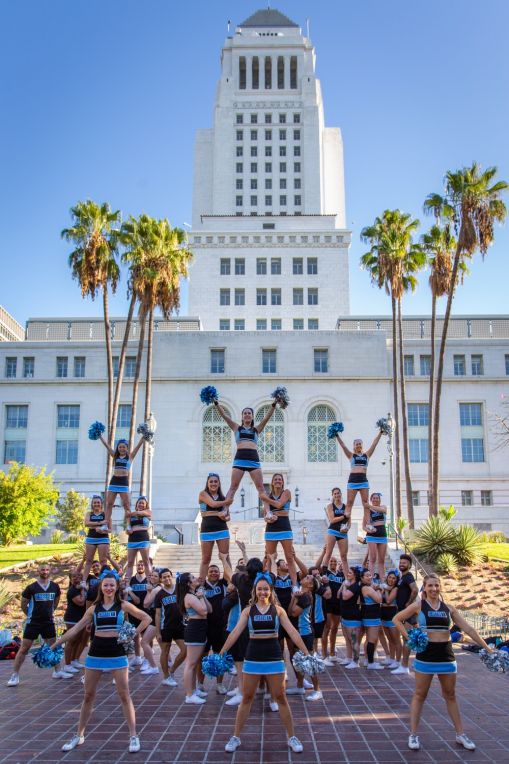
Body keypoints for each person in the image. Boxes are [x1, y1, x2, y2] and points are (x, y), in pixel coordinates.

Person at [393, 573, 493, 753]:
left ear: (440, 587)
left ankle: (460, 734)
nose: (434, 589)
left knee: (450, 695)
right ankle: (414, 734)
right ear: (425, 587)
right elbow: (397, 619)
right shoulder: (419, 605)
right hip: (426, 656)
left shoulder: (449, 608)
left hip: (446, 656)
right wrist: (410, 638)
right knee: (419, 695)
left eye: (436, 585)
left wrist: (487, 648)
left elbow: (468, 628)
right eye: (430, 585)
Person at [56, 570, 150, 753]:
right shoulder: (93, 608)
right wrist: (55, 645)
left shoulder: (123, 606)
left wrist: (131, 634)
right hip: (95, 654)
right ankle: (79, 734)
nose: (108, 588)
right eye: (105, 585)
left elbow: (146, 618)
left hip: (117, 654)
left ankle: (133, 735)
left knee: (124, 695)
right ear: (101, 587)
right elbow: (76, 629)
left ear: (117, 587)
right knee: (88, 696)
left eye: (112, 585)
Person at [221, 573, 310, 754]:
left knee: (281, 697)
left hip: (274, 658)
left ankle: (292, 736)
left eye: (266, 589)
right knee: (246, 698)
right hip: (252, 658)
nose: (263, 592)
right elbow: (235, 632)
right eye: (260, 589)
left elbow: (292, 632)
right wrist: (221, 652)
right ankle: (236, 737)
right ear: (255, 590)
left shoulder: (278, 610)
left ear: (271, 591)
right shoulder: (248, 611)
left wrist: (307, 653)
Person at [7, 563, 69, 686]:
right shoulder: (31, 588)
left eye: (47, 569)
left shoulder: (55, 587)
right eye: (42, 570)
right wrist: (30, 615)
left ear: (50, 571)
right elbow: (24, 604)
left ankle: (58, 671)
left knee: (53, 646)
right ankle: (15, 675)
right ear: (38, 571)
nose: (45, 571)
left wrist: (50, 612)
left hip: (48, 622)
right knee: (24, 648)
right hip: (33, 622)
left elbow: (55, 602)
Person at [213, 400, 277, 502]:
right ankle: (225, 510)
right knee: (233, 487)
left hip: (253, 460)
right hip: (240, 459)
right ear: (242, 416)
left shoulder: (256, 429)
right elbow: (224, 415)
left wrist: (273, 405)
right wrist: (216, 404)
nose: (247, 415)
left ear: (252, 416)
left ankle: (268, 512)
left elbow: (267, 418)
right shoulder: (236, 428)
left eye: (249, 413)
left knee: (261, 488)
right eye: (245, 413)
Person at [176, 572, 212, 704]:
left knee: (195, 662)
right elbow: (203, 611)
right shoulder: (189, 597)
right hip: (195, 629)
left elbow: (209, 609)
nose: (196, 578)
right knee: (191, 663)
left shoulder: (193, 595)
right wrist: (201, 597)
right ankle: (189, 695)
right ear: (188, 584)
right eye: (192, 578)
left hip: (200, 628)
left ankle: (193, 689)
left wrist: (202, 597)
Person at [197, 562, 231, 696]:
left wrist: (223, 558)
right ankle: (200, 684)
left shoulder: (223, 584)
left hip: (220, 626)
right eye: (211, 571)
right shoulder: (201, 586)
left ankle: (220, 684)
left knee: (219, 656)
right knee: (202, 656)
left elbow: (229, 573)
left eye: (216, 571)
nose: (213, 573)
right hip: (204, 626)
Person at [288, 575, 323, 701]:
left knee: (309, 660)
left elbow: (293, 613)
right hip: (300, 632)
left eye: (308, 578)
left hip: (305, 632)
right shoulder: (301, 595)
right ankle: (299, 686)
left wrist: (295, 599)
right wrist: (293, 598)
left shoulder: (306, 596)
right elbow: (289, 612)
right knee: (298, 659)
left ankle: (317, 690)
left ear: (310, 585)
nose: (304, 577)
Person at [261, 474, 299, 591]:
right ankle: (268, 584)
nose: (278, 481)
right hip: (271, 529)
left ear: (282, 482)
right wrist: (269, 517)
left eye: (280, 480)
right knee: (270, 558)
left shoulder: (286, 492)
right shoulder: (268, 495)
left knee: (289, 557)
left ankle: (294, 585)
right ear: (272, 482)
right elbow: (265, 514)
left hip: (285, 528)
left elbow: (280, 506)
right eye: (275, 479)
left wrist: (273, 512)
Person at [335, 429, 383, 516]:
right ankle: (345, 523)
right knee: (349, 503)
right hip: (353, 481)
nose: (358, 445)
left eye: (360, 443)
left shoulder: (367, 455)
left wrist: (381, 432)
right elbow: (343, 446)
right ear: (354, 446)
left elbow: (374, 444)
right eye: (356, 444)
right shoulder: (351, 455)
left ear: (362, 445)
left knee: (366, 503)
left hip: (363, 481)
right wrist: (337, 435)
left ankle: (368, 524)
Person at [96, 435, 144, 520]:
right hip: (114, 481)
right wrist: (100, 437)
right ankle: (105, 524)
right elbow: (107, 446)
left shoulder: (130, 456)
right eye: (120, 447)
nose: (122, 448)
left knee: (126, 505)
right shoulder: (115, 456)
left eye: (124, 447)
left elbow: (138, 447)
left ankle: (129, 524)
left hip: (123, 482)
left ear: (127, 448)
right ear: (118, 448)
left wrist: (143, 437)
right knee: (109, 503)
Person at [198, 473, 233, 581]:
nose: (213, 483)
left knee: (225, 557)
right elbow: (208, 509)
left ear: (219, 483)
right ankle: (201, 585)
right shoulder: (203, 494)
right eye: (211, 481)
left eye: (215, 481)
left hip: (222, 529)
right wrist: (219, 511)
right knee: (206, 559)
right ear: (207, 483)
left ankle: (229, 583)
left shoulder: (222, 497)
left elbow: (228, 516)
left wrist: (224, 517)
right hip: (207, 530)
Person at [154, 569, 186, 686]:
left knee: (185, 650)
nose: (166, 579)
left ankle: (172, 670)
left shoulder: (179, 590)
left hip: (180, 626)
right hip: (165, 627)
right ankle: (166, 677)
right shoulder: (159, 595)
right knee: (165, 652)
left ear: (171, 576)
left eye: (168, 576)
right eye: (164, 577)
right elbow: (157, 614)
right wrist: (157, 632)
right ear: (161, 579)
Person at [391, 554, 419, 675]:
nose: (402, 564)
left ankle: (404, 666)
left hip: (406, 612)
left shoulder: (408, 577)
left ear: (409, 565)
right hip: (402, 612)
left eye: (404, 563)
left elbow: (415, 589)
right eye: (401, 562)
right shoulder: (402, 577)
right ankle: (413, 662)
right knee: (408, 637)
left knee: (407, 638)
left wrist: (409, 603)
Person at [126, 560, 151, 672]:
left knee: (146, 636)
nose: (140, 566)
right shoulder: (131, 580)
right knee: (135, 635)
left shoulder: (149, 580)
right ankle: (137, 657)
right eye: (139, 565)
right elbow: (127, 598)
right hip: (133, 612)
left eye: (142, 564)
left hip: (146, 611)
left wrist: (130, 591)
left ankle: (147, 659)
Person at [81, 495, 111, 587]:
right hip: (91, 538)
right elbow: (86, 523)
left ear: (101, 504)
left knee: (103, 561)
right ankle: (83, 581)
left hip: (103, 538)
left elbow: (109, 529)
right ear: (92, 504)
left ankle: (104, 580)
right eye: (95, 502)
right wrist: (100, 523)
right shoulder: (89, 514)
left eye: (98, 502)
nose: (96, 504)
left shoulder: (106, 514)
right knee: (89, 560)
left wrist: (101, 530)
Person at [320, 556, 344, 665]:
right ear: (329, 563)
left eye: (335, 561)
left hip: (338, 604)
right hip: (328, 604)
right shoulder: (326, 573)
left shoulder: (341, 575)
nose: (333, 563)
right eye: (331, 561)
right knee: (327, 627)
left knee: (335, 628)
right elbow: (323, 564)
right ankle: (324, 655)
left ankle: (333, 654)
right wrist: (326, 553)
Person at [62, 568, 87, 673]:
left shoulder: (80, 588)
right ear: (71, 579)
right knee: (71, 640)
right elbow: (81, 602)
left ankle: (74, 660)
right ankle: (67, 664)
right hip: (72, 618)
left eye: (79, 576)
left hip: (80, 618)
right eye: (74, 577)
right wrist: (83, 590)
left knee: (79, 639)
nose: (77, 578)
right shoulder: (73, 590)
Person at [359, 568, 384, 669]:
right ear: (362, 578)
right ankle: (371, 663)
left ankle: (367, 660)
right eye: (367, 576)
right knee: (372, 640)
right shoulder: (367, 588)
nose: (370, 577)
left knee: (368, 640)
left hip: (369, 615)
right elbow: (379, 599)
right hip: (372, 616)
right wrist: (378, 589)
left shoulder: (365, 587)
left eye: (370, 575)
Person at [124, 496, 152, 582]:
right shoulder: (131, 516)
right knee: (130, 563)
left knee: (146, 562)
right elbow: (127, 527)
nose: (141, 505)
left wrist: (131, 513)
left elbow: (142, 514)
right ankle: (127, 584)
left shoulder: (148, 512)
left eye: (143, 503)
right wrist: (128, 530)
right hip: (132, 539)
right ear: (137, 504)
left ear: (146, 505)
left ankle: (150, 582)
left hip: (143, 539)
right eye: (139, 503)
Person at [339, 567, 362, 669]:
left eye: (350, 573)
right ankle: (348, 657)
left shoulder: (356, 586)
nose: (348, 574)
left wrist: (344, 586)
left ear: (355, 575)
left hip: (353, 617)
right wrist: (343, 585)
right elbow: (337, 595)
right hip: (345, 616)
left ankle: (356, 661)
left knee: (354, 640)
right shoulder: (348, 585)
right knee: (347, 639)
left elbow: (345, 596)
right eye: (348, 572)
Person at [323, 487, 350, 574]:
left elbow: (349, 521)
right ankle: (324, 575)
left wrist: (347, 529)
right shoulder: (330, 506)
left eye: (338, 493)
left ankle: (347, 577)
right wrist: (344, 516)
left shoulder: (346, 506)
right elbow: (332, 520)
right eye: (335, 494)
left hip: (342, 532)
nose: (337, 495)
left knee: (344, 556)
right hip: (333, 531)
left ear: (341, 494)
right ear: (332, 495)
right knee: (328, 553)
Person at [363, 493, 388, 580]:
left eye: (377, 498)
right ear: (371, 499)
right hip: (372, 536)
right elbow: (364, 526)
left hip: (382, 535)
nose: (375, 500)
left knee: (381, 560)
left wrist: (369, 506)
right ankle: (371, 580)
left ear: (379, 499)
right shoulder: (367, 511)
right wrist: (369, 530)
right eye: (373, 498)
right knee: (372, 558)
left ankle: (383, 580)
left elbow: (383, 511)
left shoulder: (383, 507)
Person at [380, 570, 400, 668]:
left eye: (393, 578)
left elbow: (388, 601)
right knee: (390, 639)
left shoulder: (395, 589)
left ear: (396, 580)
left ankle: (398, 660)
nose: (391, 579)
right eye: (390, 577)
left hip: (393, 616)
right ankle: (391, 659)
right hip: (384, 616)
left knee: (396, 640)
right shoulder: (384, 586)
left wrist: (387, 589)